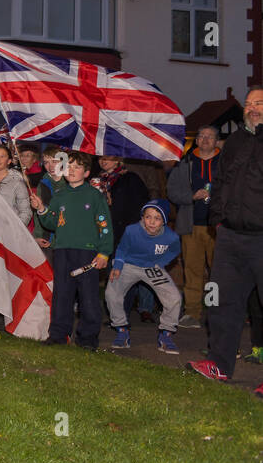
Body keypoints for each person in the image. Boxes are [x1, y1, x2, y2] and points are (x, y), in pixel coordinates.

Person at [187, 86, 263, 399]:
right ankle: (218, 364)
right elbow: (219, 183)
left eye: (259, 103)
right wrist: (217, 217)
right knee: (220, 302)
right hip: (231, 236)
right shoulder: (235, 141)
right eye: (248, 104)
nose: (251, 108)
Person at [29, 151, 113, 348]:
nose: (72, 170)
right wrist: (41, 208)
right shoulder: (60, 195)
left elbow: (105, 226)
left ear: (86, 173)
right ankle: (58, 334)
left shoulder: (94, 196)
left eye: (77, 167)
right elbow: (51, 222)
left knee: (88, 297)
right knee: (62, 294)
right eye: (69, 166)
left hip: (87, 253)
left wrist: (104, 252)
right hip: (62, 251)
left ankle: (87, 338)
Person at [107, 199, 182, 354]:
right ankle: (122, 330)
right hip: (129, 264)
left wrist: (161, 262)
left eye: (157, 218)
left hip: (152, 267)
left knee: (174, 297)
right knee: (112, 293)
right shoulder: (132, 230)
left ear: (164, 222)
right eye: (148, 217)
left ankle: (166, 334)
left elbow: (174, 251)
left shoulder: (171, 237)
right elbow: (122, 248)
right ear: (142, 217)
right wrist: (118, 266)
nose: (151, 222)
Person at [165, 126, 221, 328]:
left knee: (219, 272)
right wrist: (191, 197)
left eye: (210, 136)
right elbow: (171, 191)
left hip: (219, 227)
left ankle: (217, 312)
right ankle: (192, 313)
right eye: (202, 136)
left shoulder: (227, 163)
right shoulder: (185, 164)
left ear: (217, 141)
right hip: (192, 225)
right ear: (196, 140)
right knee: (192, 271)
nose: (205, 139)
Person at [95, 154, 152, 320]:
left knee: (122, 273)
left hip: (125, 233)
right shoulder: (97, 180)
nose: (103, 161)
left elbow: (140, 205)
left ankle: (122, 314)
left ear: (118, 160)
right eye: (101, 158)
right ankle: (113, 313)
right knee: (109, 273)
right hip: (104, 232)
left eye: (109, 158)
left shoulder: (130, 178)